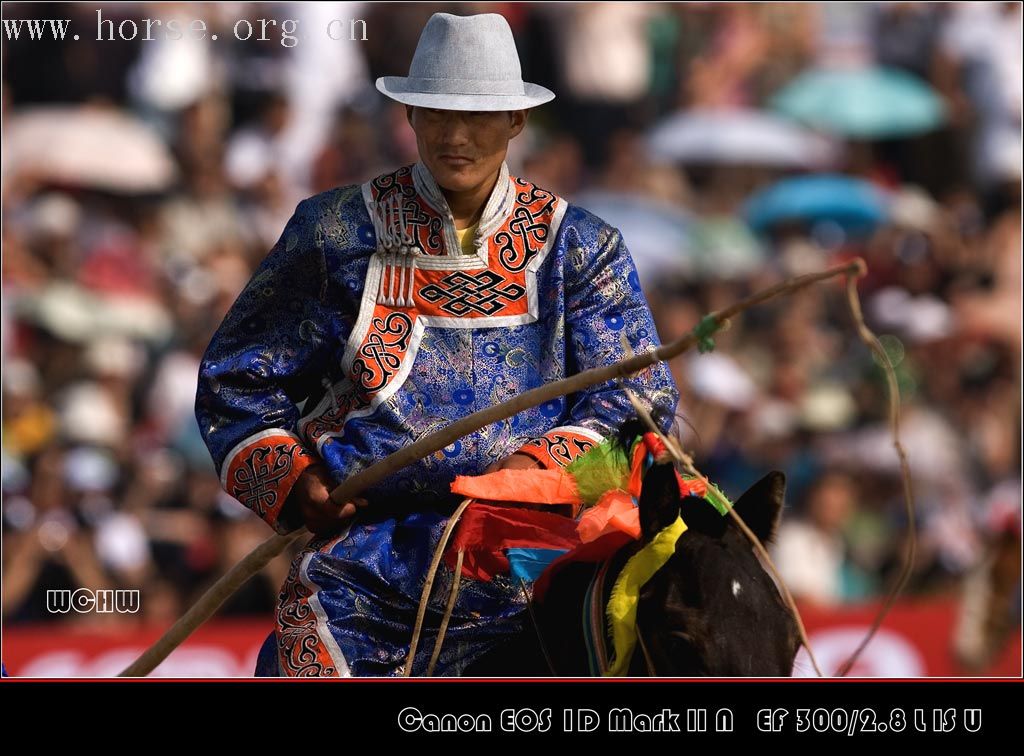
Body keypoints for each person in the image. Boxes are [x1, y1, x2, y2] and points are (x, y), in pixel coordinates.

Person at [195, 12, 679, 676]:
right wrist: (295, 481)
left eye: (479, 117)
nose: (457, 135)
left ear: (515, 120)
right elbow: (238, 380)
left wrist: (539, 473)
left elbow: (638, 404)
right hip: (362, 569)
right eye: (439, 113)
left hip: (538, 570)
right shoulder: (333, 233)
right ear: (411, 114)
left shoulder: (582, 249)